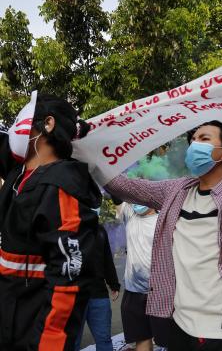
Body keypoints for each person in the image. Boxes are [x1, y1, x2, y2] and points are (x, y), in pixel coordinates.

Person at [104, 120, 222, 351]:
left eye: (204, 139)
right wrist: (87, 150)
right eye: (192, 140)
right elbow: (122, 186)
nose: (193, 145)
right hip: (179, 328)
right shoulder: (176, 191)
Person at [0, 93, 101, 350]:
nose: (15, 127)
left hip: (32, 337)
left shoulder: (60, 187)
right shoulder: (19, 174)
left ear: (48, 124)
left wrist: (50, 344)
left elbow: (68, 280)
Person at [115, 201, 169, 351]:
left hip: (160, 292)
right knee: (142, 338)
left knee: (170, 340)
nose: (135, 203)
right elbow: (115, 192)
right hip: (134, 292)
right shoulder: (130, 215)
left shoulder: (163, 220)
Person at [75, 223, 121, 351]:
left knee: (104, 338)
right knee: (73, 340)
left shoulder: (99, 230)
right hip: (74, 295)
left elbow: (107, 258)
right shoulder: (64, 226)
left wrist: (113, 283)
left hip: (98, 293)